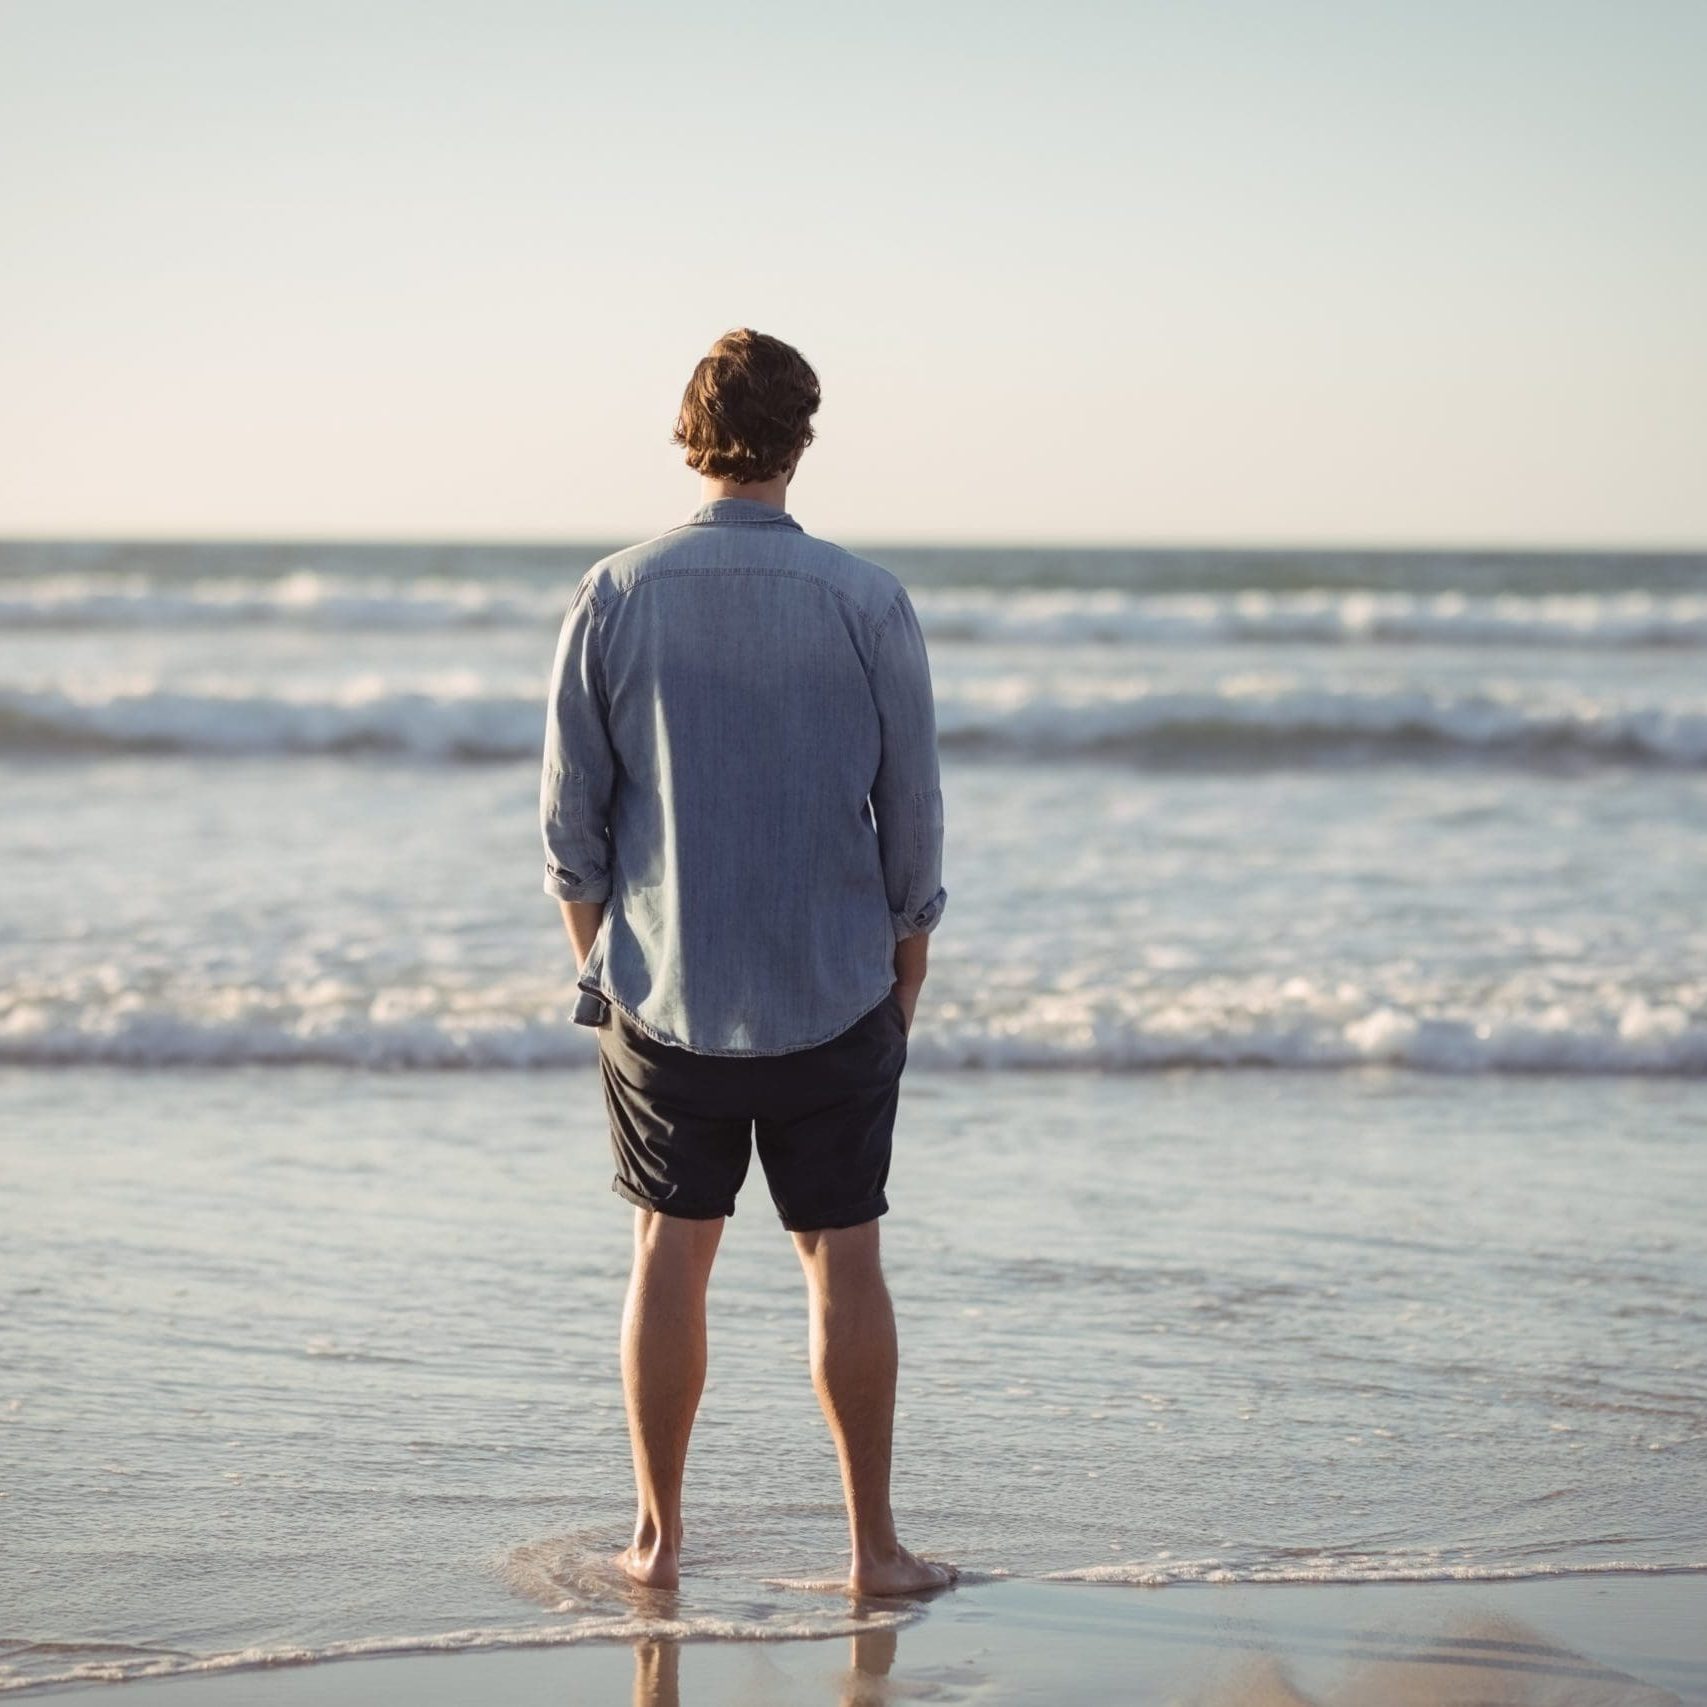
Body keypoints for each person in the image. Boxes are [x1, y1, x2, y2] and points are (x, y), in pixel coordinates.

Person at [539, 328, 955, 1598]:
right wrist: (907, 964)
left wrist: (608, 967)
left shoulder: (615, 590)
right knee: (846, 1253)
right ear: (803, 437)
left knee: (670, 1249)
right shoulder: (867, 597)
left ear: (689, 433)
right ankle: (873, 1551)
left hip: (668, 991)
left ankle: (658, 1544)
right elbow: (915, 810)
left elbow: (573, 826)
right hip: (835, 984)